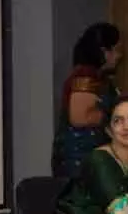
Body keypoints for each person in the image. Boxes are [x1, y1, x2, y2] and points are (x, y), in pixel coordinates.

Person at [58, 95, 128, 214]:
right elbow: (119, 208)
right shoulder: (98, 159)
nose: (127, 126)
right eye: (118, 121)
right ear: (109, 130)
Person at [52, 22, 122, 178]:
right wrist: (120, 116)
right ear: (104, 51)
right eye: (117, 50)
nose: (119, 56)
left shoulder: (100, 78)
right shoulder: (85, 76)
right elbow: (81, 118)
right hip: (80, 163)